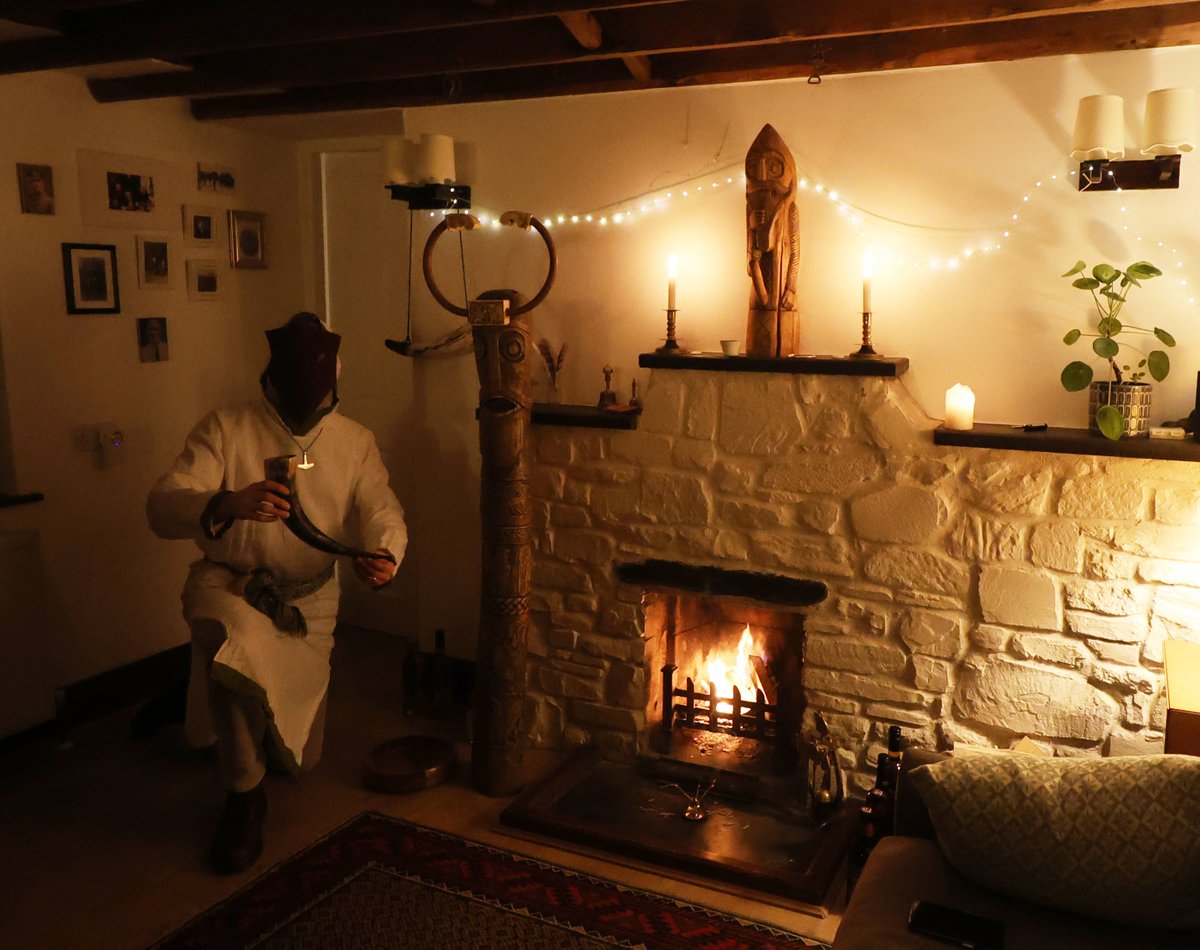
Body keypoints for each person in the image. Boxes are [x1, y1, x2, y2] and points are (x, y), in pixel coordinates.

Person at [146, 312, 407, 874]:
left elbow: (381, 509)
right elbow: (162, 506)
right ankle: (242, 795)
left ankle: (190, 694)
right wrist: (225, 502)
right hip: (230, 588)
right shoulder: (226, 427)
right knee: (233, 641)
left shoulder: (355, 441)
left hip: (307, 601)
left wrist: (385, 553)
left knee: (301, 760)